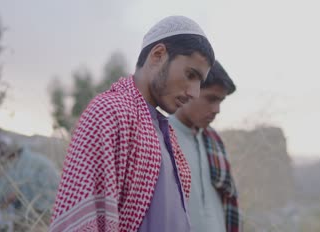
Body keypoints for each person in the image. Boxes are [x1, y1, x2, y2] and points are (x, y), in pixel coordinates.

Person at [50, 15, 215, 232]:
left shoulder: (164, 133)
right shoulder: (108, 113)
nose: (194, 93)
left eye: (200, 83)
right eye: (190, 75)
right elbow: (82, 222)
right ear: (158, 55)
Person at [169, 61, 241, 232]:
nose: (217, 109)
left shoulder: (214, 142)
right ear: (187, 91)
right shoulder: (158, 139)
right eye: (211, 99)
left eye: (221, 101)